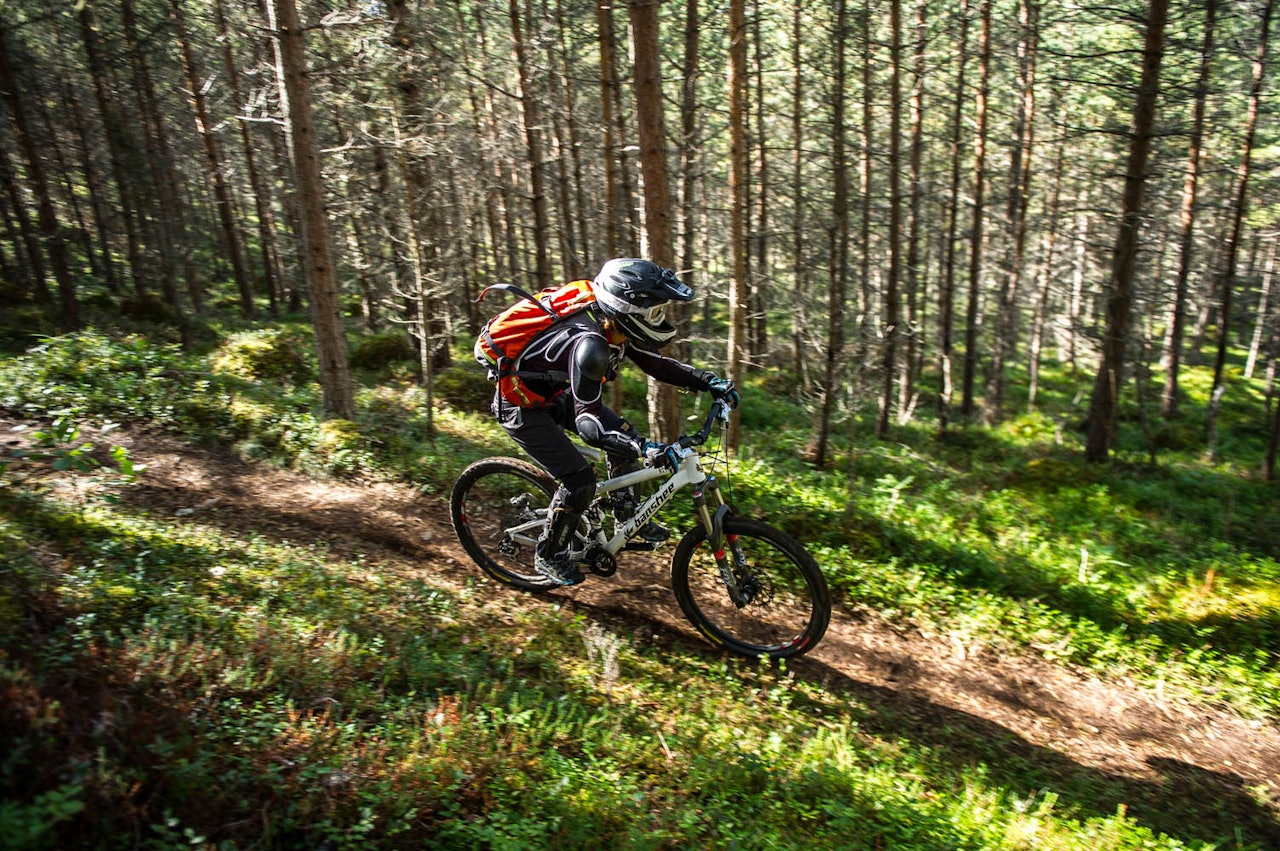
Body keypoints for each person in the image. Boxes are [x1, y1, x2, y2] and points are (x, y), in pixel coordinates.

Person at [488, 258, 739, 586]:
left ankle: (626, 516)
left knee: (623, 437)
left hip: (553, 394)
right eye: (653, 311)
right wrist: (644, 448)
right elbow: (589, 423)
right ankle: (548, 553)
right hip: (520, 407)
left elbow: (655, 363)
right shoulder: (591, 346)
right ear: (627, 310)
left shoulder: (614, 327)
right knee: (580, 480)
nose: (658, 318)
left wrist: (707, 381)